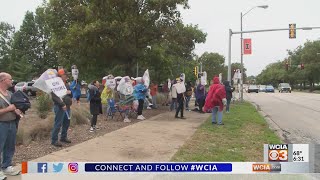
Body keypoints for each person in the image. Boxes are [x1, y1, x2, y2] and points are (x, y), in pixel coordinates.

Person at [0, 72, 21, 178]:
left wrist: (17, 111)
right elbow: (9, 108)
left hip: (12, 123)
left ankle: (6, 166)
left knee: (10, 146)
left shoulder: (10, 93)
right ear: (3, 80)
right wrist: (9, 109)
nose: (12, 81)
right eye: (10, 79)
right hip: (1, 124)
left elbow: (14, 106)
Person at [51, 69, 73, 147]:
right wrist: (62, 104)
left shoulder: (66, 84)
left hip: (67, 106)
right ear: (61, 76)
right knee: (58, 123)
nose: (67, 76)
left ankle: (63, 137)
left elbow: (71, 94)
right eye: (65, 75)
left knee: (66, 123)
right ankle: (54, 140)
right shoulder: (55, 84)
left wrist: (70, 93)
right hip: (59, 107)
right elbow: (54, 97)